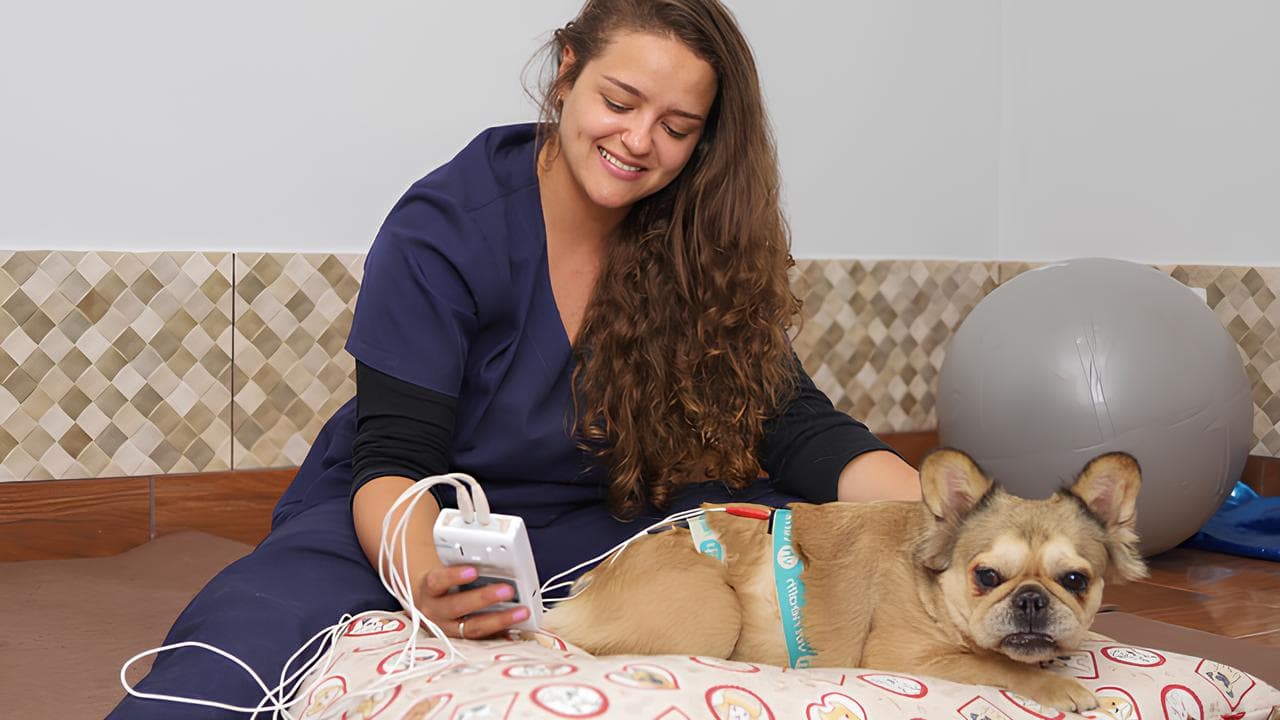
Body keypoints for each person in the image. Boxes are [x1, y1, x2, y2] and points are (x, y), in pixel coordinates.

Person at [110, 0, 920, 716]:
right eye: (619, 102)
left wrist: (959, 524)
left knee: (809, 551)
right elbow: (394, 460)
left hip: (616, 515)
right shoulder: (444, 226)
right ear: (567, 70)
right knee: (249, 630)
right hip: (422, 511)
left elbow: (798, 428)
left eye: (677, 128)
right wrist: (430, 578)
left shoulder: (699, 237)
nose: (639, 141)